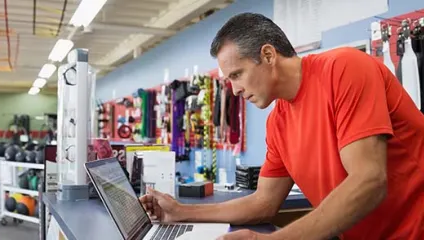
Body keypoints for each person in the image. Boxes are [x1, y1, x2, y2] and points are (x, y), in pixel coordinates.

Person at [140, 13, 424, 240]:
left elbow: (369, 181)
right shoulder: (278, 123)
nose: (235, 90)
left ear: (268, 55)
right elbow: (264, 203)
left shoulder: (344, 68)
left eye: (237, 75)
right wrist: (180, 212)